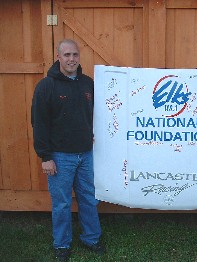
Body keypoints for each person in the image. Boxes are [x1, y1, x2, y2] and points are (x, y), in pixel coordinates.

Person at [31, 39, 105, 261]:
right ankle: (61, 245)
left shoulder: (87, 84)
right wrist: (45, 156)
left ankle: (91, 238)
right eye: (66, 55)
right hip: (60, 157)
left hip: (86, 154)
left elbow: (98, 114)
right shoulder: (46, 86)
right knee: (62, 203)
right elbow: (39, 122)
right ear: (58, 57)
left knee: (89, 199)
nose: (71, 59)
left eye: (75, 55)